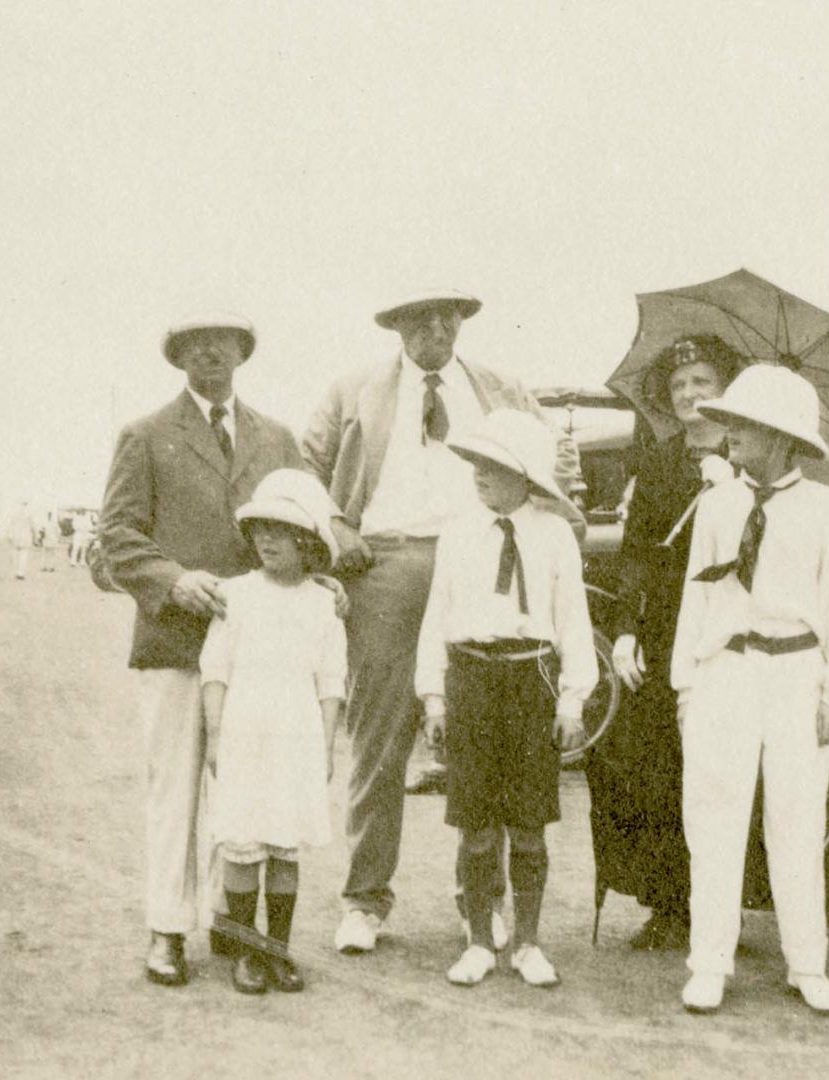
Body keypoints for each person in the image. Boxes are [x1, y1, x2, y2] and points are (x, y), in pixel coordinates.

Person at [301, 289, 580, 955]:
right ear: (395, 323)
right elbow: (305, 472)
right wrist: (336, 525)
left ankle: (479, 908)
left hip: (482, 555)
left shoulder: (502, 389)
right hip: (387, 564)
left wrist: (559, 478)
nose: (435, 327)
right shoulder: (353, 390)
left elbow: (550, 466)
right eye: (419, 317)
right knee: (380, 737)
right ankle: (364, 900)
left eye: (447, 314)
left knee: (487, 742)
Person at [100, 313, 303, 988]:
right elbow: (118, 537)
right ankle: (165, 929)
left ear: (243, 353)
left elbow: (306, 525)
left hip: (257, 651)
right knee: (174, 790)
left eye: (224, 343)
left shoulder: (277, 439)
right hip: (176, 644)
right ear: (178, 357)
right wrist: (172, 580)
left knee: (245, 794)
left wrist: (321, 580)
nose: (211, 353)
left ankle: (233, 924)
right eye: (195, 344)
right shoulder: (146, 434)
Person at [671, 364, 829, 1016]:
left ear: (781, 439)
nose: (726, 434)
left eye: (742, 426)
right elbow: (695, 598)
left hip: (795, 678)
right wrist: (686, 685)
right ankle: (709, 962)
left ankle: (806, 963)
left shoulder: (822, 508)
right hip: (725, 672)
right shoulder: (717, 502)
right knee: (713, 818)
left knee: (797, 821)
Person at [416, 409, 596, 987]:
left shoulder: (554, 534)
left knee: (528, 822)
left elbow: (573, 621)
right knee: (475, 823)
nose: (481, 475)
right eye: (476, 464)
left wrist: (572, 701)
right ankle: (476, 941)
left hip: (530, 681)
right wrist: (434, 697)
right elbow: (436, 616)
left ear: (528, 476)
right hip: (470, 679)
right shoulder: (457, 531)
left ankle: (528, 943)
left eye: (496, 467)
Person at [586, 335, 743, 951]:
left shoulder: (752, 458)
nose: (689, 394)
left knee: (721, 771)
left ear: (724, 389)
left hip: (728, 629)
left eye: (702, 382)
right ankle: (669, 904)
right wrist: (625, 630)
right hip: (663, 627)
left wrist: (731, 486)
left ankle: (725, 909)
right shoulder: (657, 461)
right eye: (680, 386)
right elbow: (635, 554)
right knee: (650, 765)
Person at [201, 468, 346, 995]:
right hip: (245, 730)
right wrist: (216, 734)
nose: (266, 540)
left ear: (307, 542)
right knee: (243, 841)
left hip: (297, 735)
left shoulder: (324, 603)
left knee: (285, 846)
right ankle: (246, 950)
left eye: (279, 531)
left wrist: (326, 742)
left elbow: (331, 680)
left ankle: (277, 949)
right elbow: (215, 668)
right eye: (259, 530)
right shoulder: (235, 595)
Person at [8, 501, 36, 579]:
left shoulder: (14, 512)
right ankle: (20, 572)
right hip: (25, 536)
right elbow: (32, 525)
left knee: (16, 554)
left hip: (16, 535)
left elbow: (11, 524)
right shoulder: (29, 513)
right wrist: (35, 536)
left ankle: (17, 571)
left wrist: (10, 535)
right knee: (24, 554)